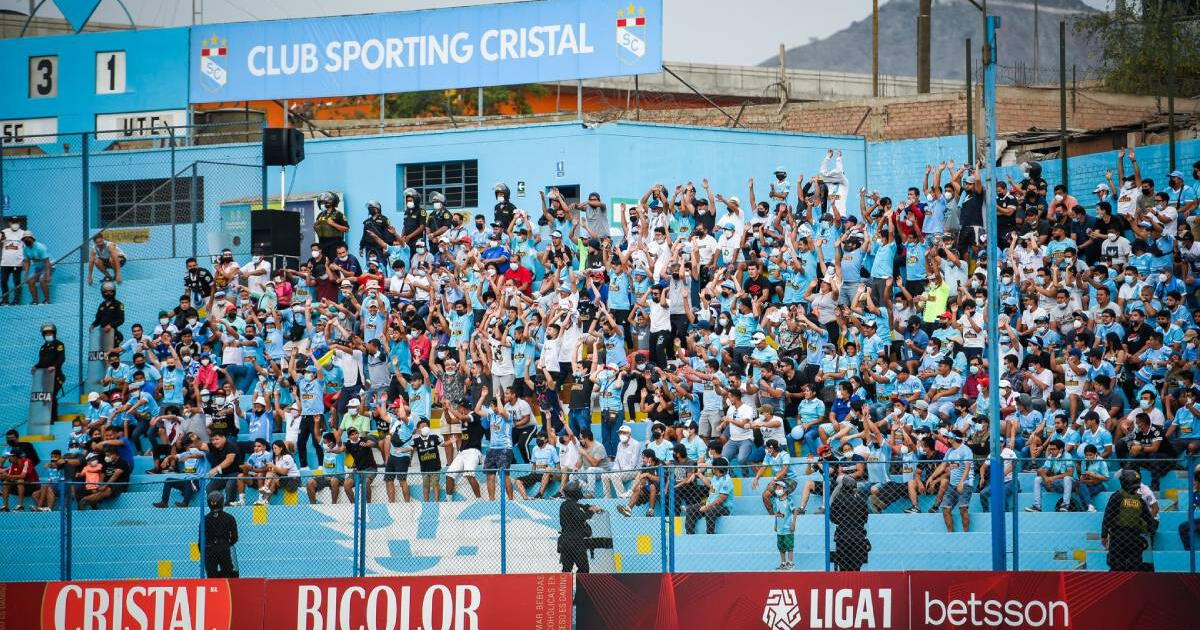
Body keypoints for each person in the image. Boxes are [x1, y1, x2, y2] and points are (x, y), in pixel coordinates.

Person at [1101, 469, 1155, 572]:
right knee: (1134, 566)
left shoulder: (1117, 497)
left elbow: (1107, 516)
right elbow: (1149, 520)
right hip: (1134, 537)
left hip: (1118, 537)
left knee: (1116, 566)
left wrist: (1104, 535)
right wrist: (1148, 535)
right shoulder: (1139, 500)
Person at [557, 480, 607, 573]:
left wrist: (589, 507)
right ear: (575, 493)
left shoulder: (569, 504)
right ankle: (581, 586)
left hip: (567, 540)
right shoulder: (570, 505)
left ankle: (567, 586)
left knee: (567, 569)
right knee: (583, 569)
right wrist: (591, 511)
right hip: (575, 542)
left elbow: (581, 507)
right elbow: (581, 516)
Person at [829, 474, 870, 571]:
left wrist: (843, 520)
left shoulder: (838, 499)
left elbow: (833, 518)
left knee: (843, 568)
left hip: (843, 537)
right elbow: (865, 518)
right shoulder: (861, 500)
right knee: (856, 568)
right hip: (858, 536)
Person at [685, 457, 732, 534]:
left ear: (717, 468)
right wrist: (699, 474)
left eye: (713, 467)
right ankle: (690, 534)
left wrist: (707, 507)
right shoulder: (715, 477)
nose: (712, 469)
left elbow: (721, 500)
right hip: (710, 504)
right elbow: (710, 485)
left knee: (710, 511)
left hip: (723, 507)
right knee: (691, 509)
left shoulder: (726, 480)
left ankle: (710, 534)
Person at [32, 322, 65, 422]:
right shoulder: (43, 347)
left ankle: (53, 418)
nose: (48, 335)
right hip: (46, 377)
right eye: (46, 333)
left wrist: (53, 367)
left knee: (51, 396)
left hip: (56, 376)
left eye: (50, 333)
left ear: (54, 333)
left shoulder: (59, 344)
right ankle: (47, 416)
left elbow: (61, 358)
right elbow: (42, 362)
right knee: (46, 398)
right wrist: (35, 367)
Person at [203, 491, 239, 578]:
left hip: (209, 549)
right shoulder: (229, 518)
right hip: (224, 548)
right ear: (222, 502)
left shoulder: (205, 519)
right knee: (228, 573)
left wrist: (206, 549)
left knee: (211, 575)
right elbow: (235, 537)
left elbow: (201, 539)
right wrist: (227, 544)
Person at [0, 447, 39, 511]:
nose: (9, 458)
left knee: (20, 481)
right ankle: (5, 506)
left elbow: (22, 476)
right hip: (20, 486)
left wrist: (7, 476)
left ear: (15, 456)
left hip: (32, 486)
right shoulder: (13, 464)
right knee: (5, 482)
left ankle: (20, 505)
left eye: (10, 456)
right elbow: (9, 476)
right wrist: (4, 477)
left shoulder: (27, 461)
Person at [0, 216, 25, 304]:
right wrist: (1, 240)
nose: (14, 224)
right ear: (9, 223)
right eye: (13, 222)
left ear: (20, 223)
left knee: (16, 282)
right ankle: (5, 300)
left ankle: (16, 300)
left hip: (17, 263)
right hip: (5, 262)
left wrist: (24, 261)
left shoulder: (23, 233)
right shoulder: (4, 232)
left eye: (16, 222)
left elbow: (26, 247)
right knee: (3, 281)